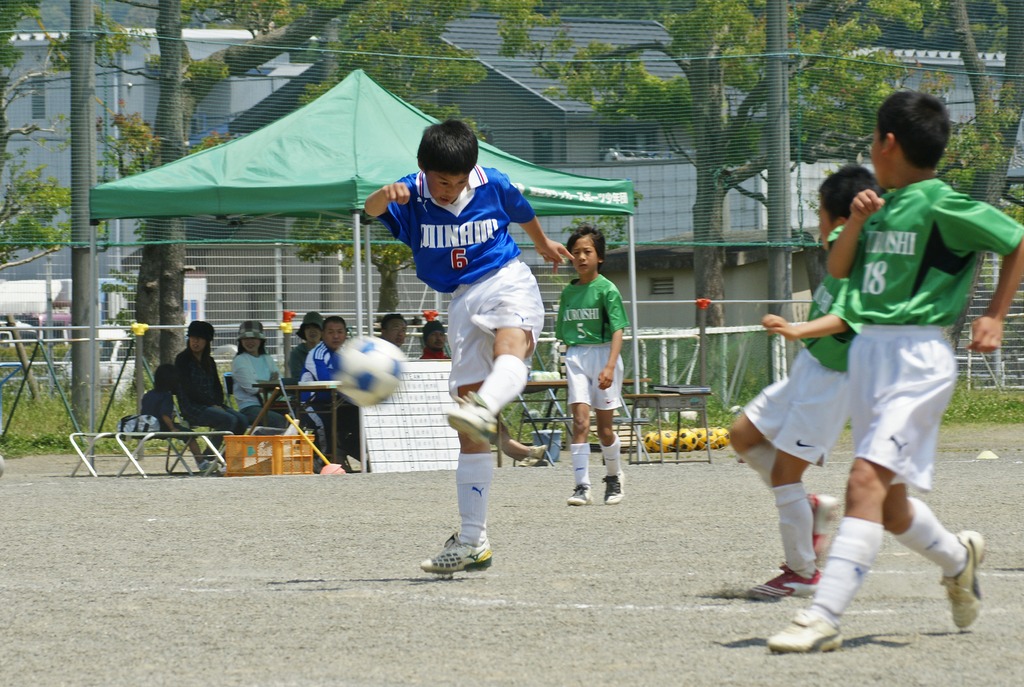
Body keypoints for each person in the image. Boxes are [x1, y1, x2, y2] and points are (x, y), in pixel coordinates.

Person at [768, 90, 1024, 653]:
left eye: (872, 137)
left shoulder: (940, 204)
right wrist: (857, 223)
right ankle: (959, 560)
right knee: (889, 504)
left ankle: (823, 616)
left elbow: (1016, 239)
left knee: (862, 480)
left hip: (915, 357)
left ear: (887, 142)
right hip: (869, 358)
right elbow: (837, 269)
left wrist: (995, 316)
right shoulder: (875, 204)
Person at [365, 118, 571, 575]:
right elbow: (371, 206)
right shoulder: (411, 192)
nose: (451, 189)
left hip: (506, 279)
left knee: (510, 349)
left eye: (459, 181)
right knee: (471, 434)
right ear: (423, 169)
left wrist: (543, 245)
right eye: (442, 181)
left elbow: (522, 211)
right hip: (459, 300)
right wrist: (386, 195)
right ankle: (474, 542)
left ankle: (486, 406)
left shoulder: (491, 182)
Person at [729, 165, 881, 599]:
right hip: (810, 369)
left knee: (783, 473)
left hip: (834, 380)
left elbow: (847, 317)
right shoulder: (841, 247)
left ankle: (803, 572)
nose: (818, 225)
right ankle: (809, 509)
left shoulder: (857, 253)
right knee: (742, 435)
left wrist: (797, 329)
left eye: (819, 213)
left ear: (838, 219)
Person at [555, 224, 630, 507]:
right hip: (575, 355)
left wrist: (610, 366)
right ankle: (581, 486)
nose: (581, 257)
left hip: (603, 356)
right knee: (580, 422)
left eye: (587, 252)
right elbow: (563, 331)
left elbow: (618, 329)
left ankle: (613, 477)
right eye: (576, 253)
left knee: (606, 429)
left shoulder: (607, 289)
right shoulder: (568, 293)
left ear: (599, 257)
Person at [419, 317, 546, 467]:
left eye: (441, 334)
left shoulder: (454, 354)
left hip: (480, 392)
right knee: (492, 431)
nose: (438, 338)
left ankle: (527, 453)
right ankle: (527, 453)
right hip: (468, 395)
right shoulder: (426, 361)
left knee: (494, 430)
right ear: (425, 338)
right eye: (434, 334)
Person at [174, 320, 248, 470]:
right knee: (228, 420)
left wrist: (218, 403)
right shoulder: (182, 360)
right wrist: (211, 404)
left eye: (200, 339)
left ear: (207, 341)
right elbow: (189, 389)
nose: (195, 342)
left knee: (242, 420)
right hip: (192, 406)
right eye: (193, 338)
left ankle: (226, 456)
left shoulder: (210, 361)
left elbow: (217, 387)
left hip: (212, 404)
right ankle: (208, 457)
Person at [300, 314, 360, 473]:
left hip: (340, 403)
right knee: (324, 424)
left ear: (345, 334)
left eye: (339, 332)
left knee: (360, 418)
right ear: (323, 334)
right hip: (313, 404)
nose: (335, 336)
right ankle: (323, 463)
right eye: (331, 332)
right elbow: (325, 379)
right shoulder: (317, 353)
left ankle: (364, 458)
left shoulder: (348, 353)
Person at [140, 363, 202, 461]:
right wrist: (172, 428)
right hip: (161, 427)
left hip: (146, 427)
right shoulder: (166, 395)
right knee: (190, 435)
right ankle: (201, 462)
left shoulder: (148, 394)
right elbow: (164, 415)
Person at [232, 320, 287, 430]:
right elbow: (251, 388)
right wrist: (270, 383)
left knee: (297, 416)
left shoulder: (267, 358)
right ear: (241, 341)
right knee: (279, 421)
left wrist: (262, 384)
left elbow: (279, 381)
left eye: (253, 338)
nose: (250, 342)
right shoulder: (239, 360)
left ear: (260, 340)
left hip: (272, 404)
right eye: (246, 339)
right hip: (249, 407)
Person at [289, 311, 324, 380]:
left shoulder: (328, 351)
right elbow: (297, 378)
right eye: (308, 327)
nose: (312, 331)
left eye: (316, 327)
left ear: (322, 331)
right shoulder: (296, 354)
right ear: (304, 331)